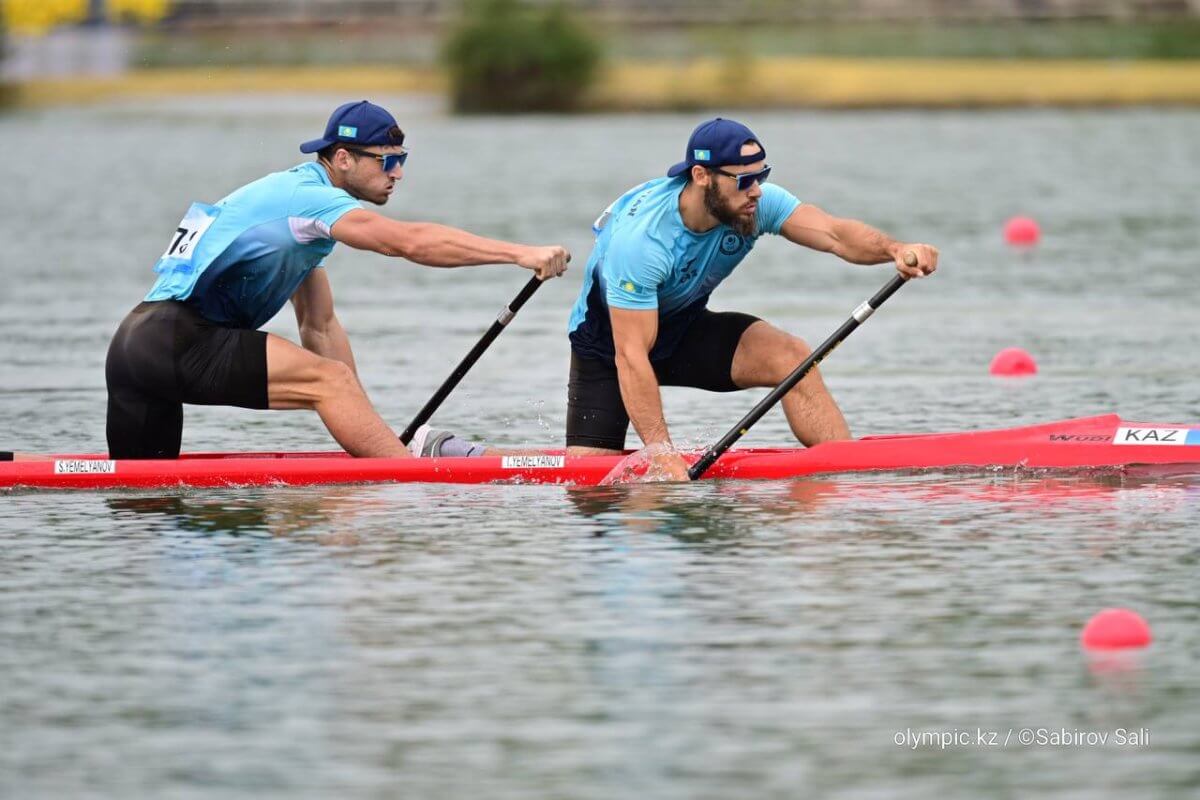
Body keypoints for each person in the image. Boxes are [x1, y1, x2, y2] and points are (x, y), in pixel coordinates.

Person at [104, 100, 569, 460]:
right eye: (387, 160)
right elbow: (406, 242)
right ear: (343, 158)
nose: (399, 172)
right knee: (329, 383)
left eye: (401, 158)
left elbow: (319, 327)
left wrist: (369, 429)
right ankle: (409, 480)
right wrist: (518, 253)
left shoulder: (295, 216)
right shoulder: (309, 199)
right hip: (178, 339)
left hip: (132, 350)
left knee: (143, 504)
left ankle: (390, 461)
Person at [559, 117, 938, 480]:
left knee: (789, 356)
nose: (756, 190)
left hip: (682, 328)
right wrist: (662, 455)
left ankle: (851, 472)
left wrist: (895, 248)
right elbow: (630, 357)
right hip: (609, 350)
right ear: (701, 176)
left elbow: (836, 234)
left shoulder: (753, 204)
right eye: (744, 179)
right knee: (592, 490)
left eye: (762, 176)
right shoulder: (643, 243)